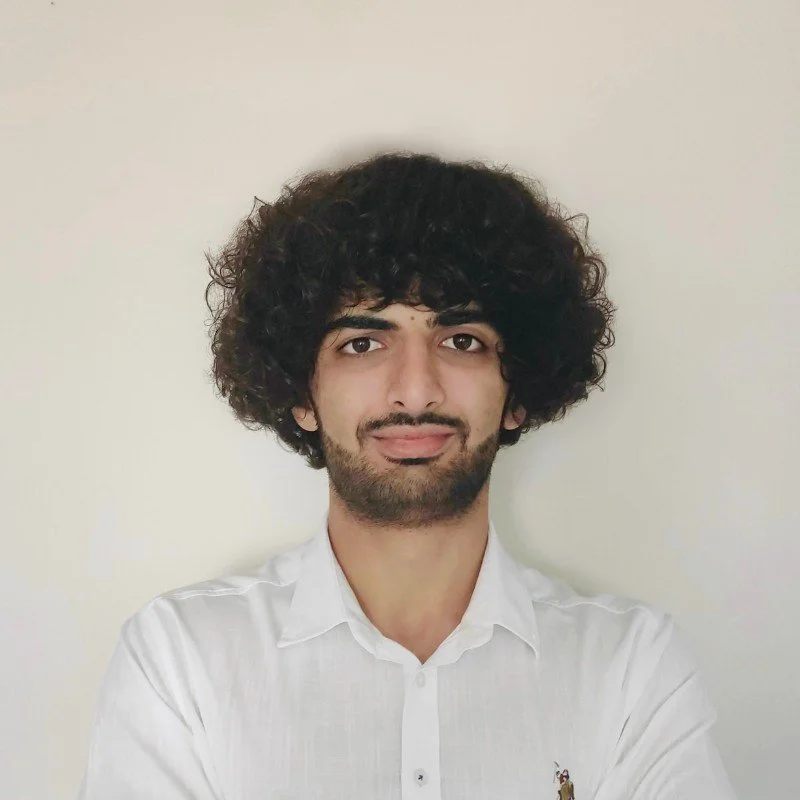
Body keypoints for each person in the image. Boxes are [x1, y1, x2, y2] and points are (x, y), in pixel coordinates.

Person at [77, 152, 738, 799]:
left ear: (518, 392)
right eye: (362, 344)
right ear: (302, 393)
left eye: (461, 340)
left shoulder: (630, 667)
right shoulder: (182, 660)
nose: (416, 390)